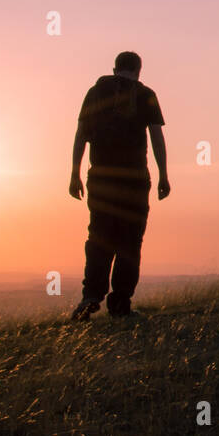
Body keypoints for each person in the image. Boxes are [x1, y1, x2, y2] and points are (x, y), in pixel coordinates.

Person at [68, 51, 170, 320]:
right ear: (139, 69)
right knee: (130, 242)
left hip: (100, 178)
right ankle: (121, 304)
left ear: (115, 69)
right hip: (134, 180)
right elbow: (157, 138)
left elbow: (81, 135)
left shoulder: (94, 93)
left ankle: (90, 296)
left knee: (99, 237)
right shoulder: (146, 93)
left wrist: (74, 174)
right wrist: (163, 175)